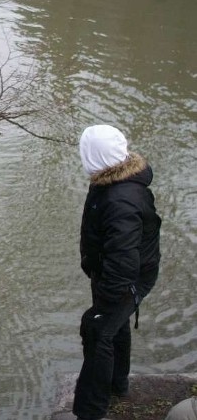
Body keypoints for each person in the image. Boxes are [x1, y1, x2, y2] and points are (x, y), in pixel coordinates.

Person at [71, 125, 161, 420]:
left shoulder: (120, 198)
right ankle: (117, 386)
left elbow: (124, 259)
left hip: (125, 280)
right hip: (113, 274)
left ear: (94, 157)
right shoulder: (110, 182)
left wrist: (108, 300)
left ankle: (90, 412)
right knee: (114, 328)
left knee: (97, 329)